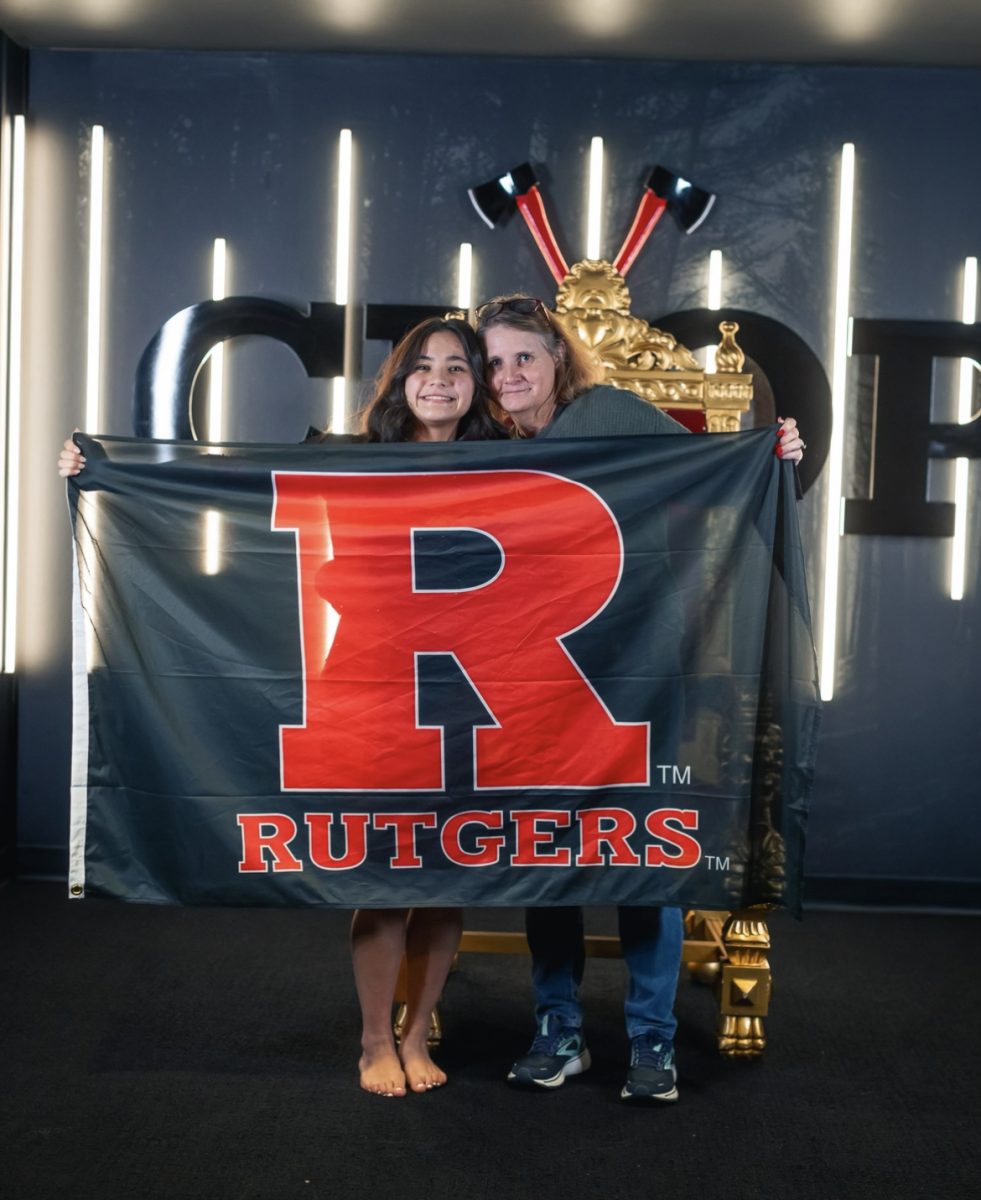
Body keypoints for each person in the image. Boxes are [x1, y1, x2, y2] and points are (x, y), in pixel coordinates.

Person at [58, 315, 506, 1100]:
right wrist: (108, 469)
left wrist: (762, 454)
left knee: (448, 876)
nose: (439, 378)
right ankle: (374, 1038)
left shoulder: (517, 463)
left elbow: (641, 474)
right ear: (399, 380)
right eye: (422, 364)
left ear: (477, 385)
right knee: (379, 873)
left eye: (458, 366)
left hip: (474, 693)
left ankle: (416, 1031)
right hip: (371, 687)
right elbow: (226, 477)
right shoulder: (347, 454)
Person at [475, 293, 804, 1105]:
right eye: (493, 362)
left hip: (639, 667)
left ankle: (650, 1037)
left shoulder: (611, 414)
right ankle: (560, 1029)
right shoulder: (479, 449)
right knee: (547, 856)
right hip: (532, 681)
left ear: (556, 357)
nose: (508, 373)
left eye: (523, 355)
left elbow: (712, 478)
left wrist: (773, 452)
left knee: (642, 851)